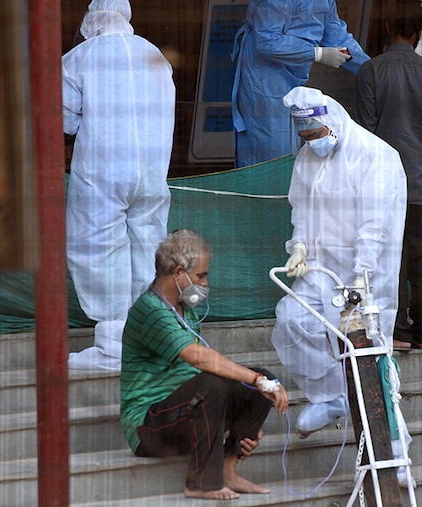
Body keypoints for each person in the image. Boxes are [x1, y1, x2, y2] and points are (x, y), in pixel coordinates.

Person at [271, 86, 406, 437]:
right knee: (292, 319)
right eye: (305, 136)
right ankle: (329, 397)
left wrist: (363, 274)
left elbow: (375, 224)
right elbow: (301, 205)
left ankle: (394, 445)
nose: (312, 142)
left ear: (332, 122)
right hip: (320, 269)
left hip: (361, 274)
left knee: (368, 356)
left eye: (315, 134)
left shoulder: (373, 155)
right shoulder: (307, 156)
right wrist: (298, 246)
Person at [120, 229, 288, 500]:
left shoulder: (186, 309)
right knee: (218, 383)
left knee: (259, 379)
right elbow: (198, 357)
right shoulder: (149, 310)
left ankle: (228, 469)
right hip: (149, 429)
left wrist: (246, 418)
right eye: (201, 276)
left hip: (188, 413)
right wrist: (254, 380)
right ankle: (200, 482)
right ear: (177, 273)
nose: (205, 283)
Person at [62, 0, 175, 370]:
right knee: (148, 248)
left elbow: (65, 120)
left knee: (99, 249)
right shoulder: (155, 54)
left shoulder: (81, 57)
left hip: (103, 171)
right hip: (153, 173)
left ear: (91, 20)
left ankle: (113, 346)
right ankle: (148, 341)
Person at [356, 0, 422, 352]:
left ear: (386, 28)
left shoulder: (371, 71)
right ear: (419, 31)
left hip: (382, 183)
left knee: (389, 256)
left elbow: (365, 132)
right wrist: (419, 136)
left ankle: (396, 330)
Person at [230, 0, 370, 168]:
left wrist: (372, 70)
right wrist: (317, 53)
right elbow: (267, 40)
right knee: (271, 153)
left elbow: (338, 38)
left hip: (292, 75)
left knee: (288, 151)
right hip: (264, 77)